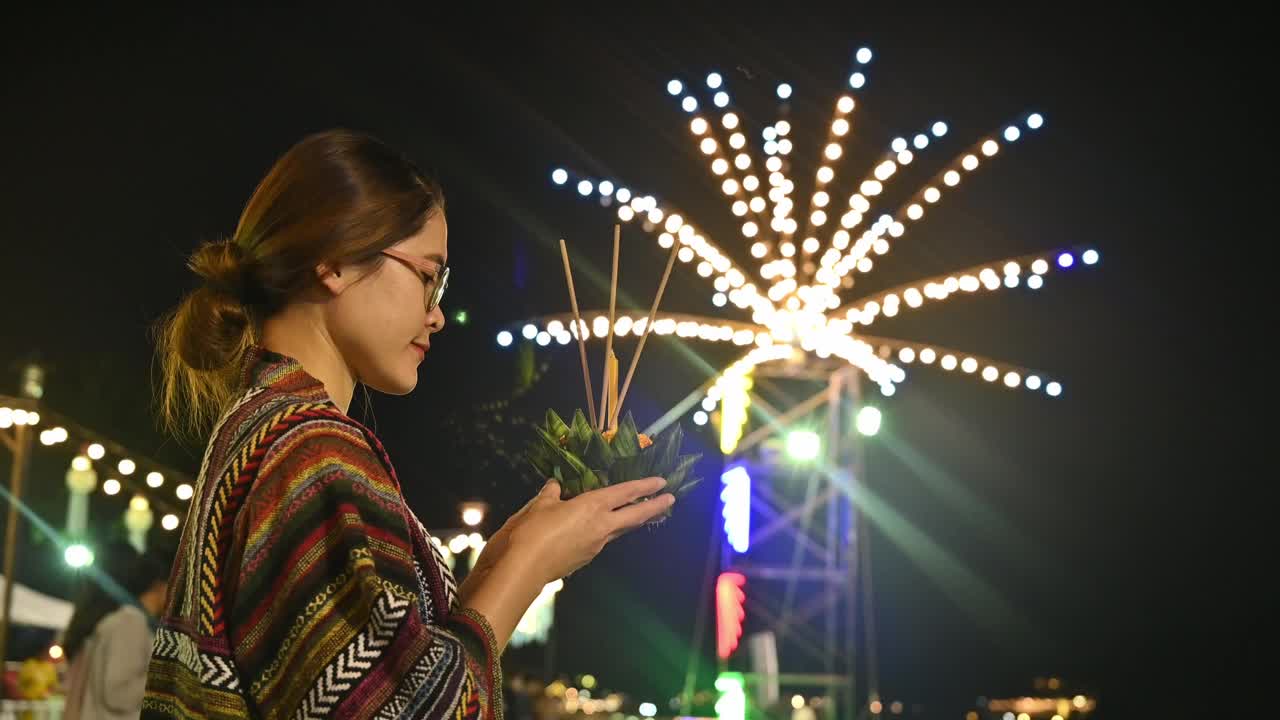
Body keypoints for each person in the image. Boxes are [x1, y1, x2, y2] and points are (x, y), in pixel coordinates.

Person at [142, 129, 674, 719]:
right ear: (336, 261)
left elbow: (376, 677)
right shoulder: (313, 449)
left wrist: (504, 557)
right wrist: (530, 567)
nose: (438, 313)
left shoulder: (257, 428)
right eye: (428, 276)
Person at [61, 541, 170, 720]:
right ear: (160, 584)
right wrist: (167, 678)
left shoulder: (121, 620)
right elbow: (119, 695)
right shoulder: (130, 622)